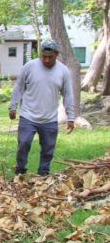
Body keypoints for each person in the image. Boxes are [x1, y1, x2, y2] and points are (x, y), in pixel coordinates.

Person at [9, 39, 75, 176]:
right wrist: (12, 106)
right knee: (23, 143)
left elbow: (68, 94)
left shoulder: (63, 71)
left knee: (48, 149)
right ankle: (20, 171)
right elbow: (18, 87)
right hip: (28, 115)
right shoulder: (29, 66)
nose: (46, 60)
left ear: (56, 54)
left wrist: (71, 117)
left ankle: (43, 174)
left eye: (49, 57)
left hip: (49, 118)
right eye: (43, 56)